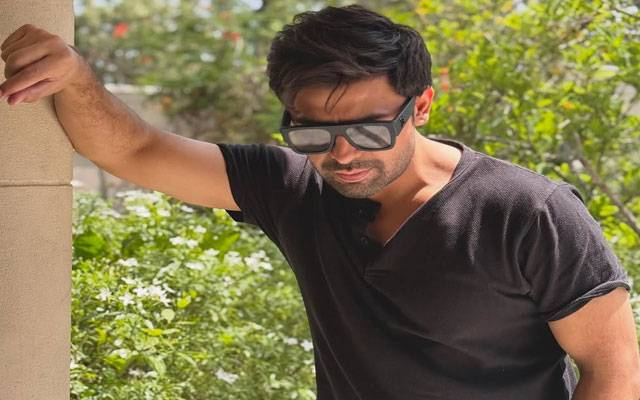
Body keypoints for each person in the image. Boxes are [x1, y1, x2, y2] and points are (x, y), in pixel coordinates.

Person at [1, 4, 639, 400]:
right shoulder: (292, 189)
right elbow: (136, 150)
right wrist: (76, 77)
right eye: (312, 133)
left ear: (421, 105)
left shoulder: (529, 213)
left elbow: (614, 374)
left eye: (369, 130)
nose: (342, 154)